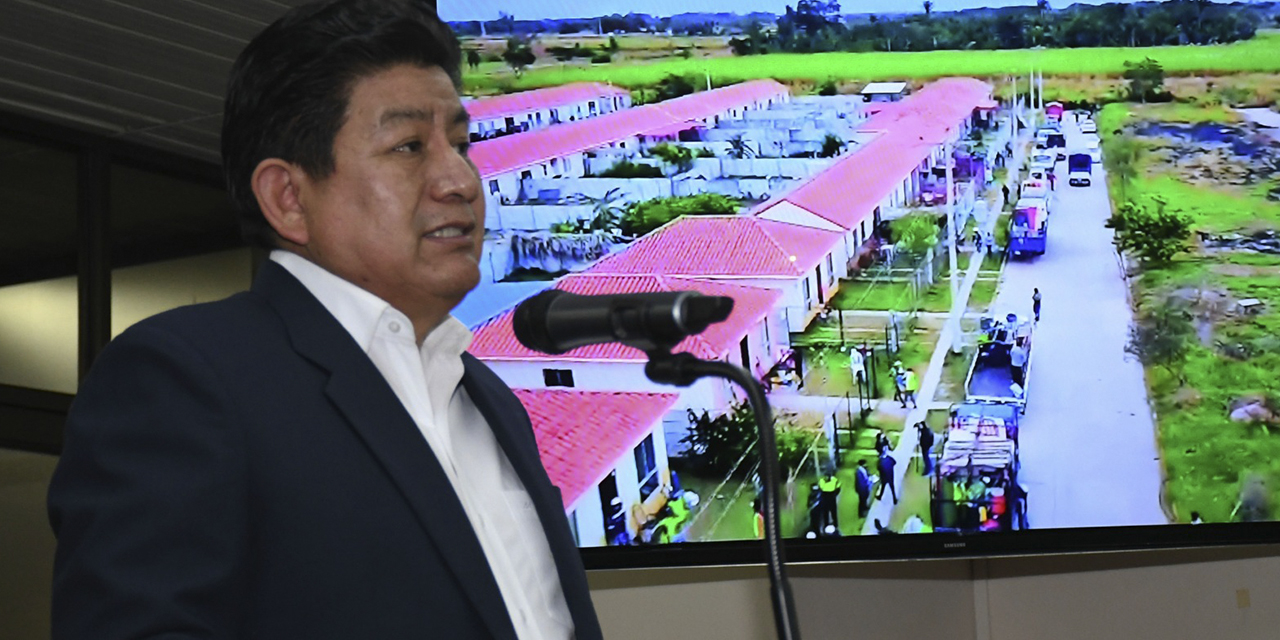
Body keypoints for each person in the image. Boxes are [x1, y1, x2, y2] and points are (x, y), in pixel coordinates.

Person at [45, 3, 602, 639]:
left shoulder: (490, 401)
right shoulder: (187, 380)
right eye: (410, 146)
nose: (460, 179)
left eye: (462, 143)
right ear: (288, 197)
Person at [817, 468, 842, 533]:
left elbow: (838, 487)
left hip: (831, 497)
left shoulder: (834, 480)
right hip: (825, 497)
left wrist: (835, 494)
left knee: (833, 511)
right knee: (825, 512)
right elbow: (820, 488)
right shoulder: (821, 481)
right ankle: (826, 525)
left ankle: (835, 525)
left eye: (827, 476)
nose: (826, 478)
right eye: (825, 476)